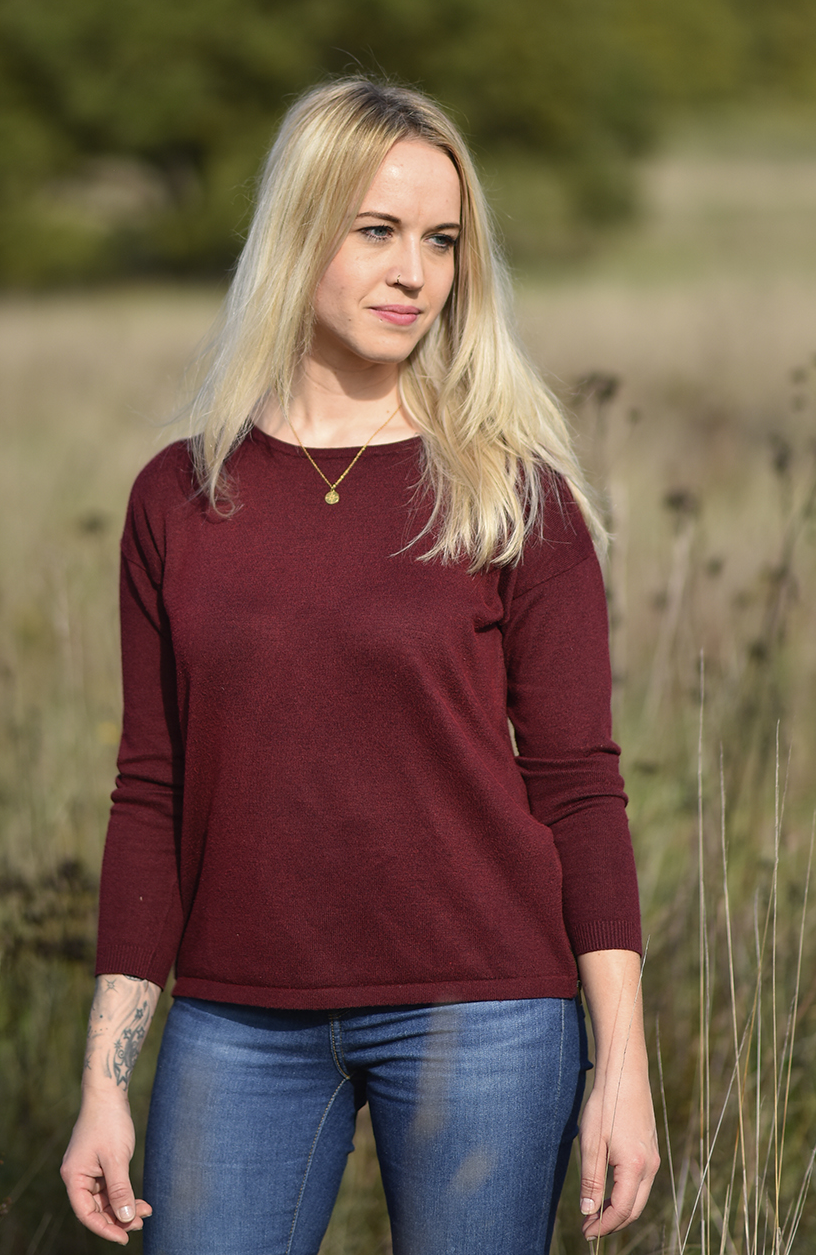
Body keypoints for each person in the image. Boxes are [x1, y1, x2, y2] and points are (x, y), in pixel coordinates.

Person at [61, 79, 659, 1254]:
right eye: (377, 231)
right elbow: (150, 790)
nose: (414, 274)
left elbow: (579, 786)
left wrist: (621, 1070)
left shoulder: (511, 494)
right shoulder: (179, 497)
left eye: (441, 240)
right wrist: (102, 1081)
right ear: (297, 234)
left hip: (486, 1013)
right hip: (236, 1020)